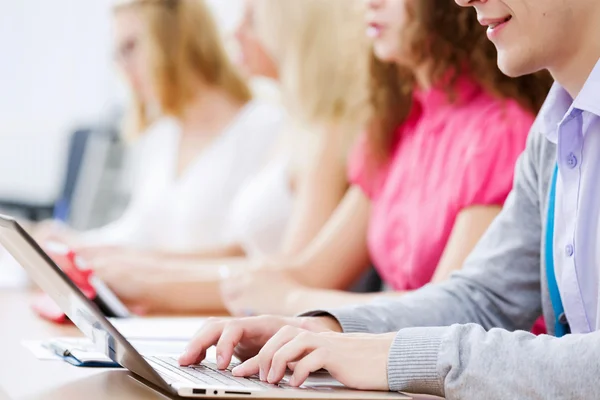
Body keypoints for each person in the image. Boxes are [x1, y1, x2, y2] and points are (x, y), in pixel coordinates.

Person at [178, 0, 600, 398]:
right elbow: (483, 298)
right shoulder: (555, 132)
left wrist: (393, 354)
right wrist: (326, 330)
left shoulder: (505, 129)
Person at [217, 0, 552, 317]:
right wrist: (249, 286)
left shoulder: (500, 129)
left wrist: (291, 301)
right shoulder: (395, 125)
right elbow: (311, 270)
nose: (371, 3)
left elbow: (451, 311)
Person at [75, 0, 371, 313]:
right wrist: (137, 267)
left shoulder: (302, 128)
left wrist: (150, 281)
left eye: (252, 18)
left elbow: (292, 279)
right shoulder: (299, 125)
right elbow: (249, 257)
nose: (234, 32)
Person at [35, 0, 283, 253]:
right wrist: (70, 243)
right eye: (117, 54)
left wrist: (119, 265)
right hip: (145, 289)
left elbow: (244, 253)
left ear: (175, 38)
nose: (123, 66)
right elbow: (139, 231)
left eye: (131, 47)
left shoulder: (266, 128)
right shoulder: (161, 136)